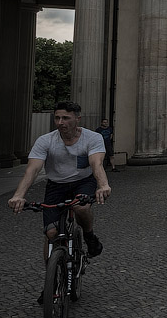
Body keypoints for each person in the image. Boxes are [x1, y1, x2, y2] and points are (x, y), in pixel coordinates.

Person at [8, 102, 111, 289]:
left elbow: (96, 164)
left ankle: (88, 235)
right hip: (56, 185)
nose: (60, 122)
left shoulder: (92, 138)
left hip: (83, 181)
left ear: (77, 119)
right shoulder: (45, 140)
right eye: (57, 118)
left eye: (65, 118)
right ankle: (52, 282)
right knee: (51, 233)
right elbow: (32, 170)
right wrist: (19, 196)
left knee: (81, 206)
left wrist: (103, 185)